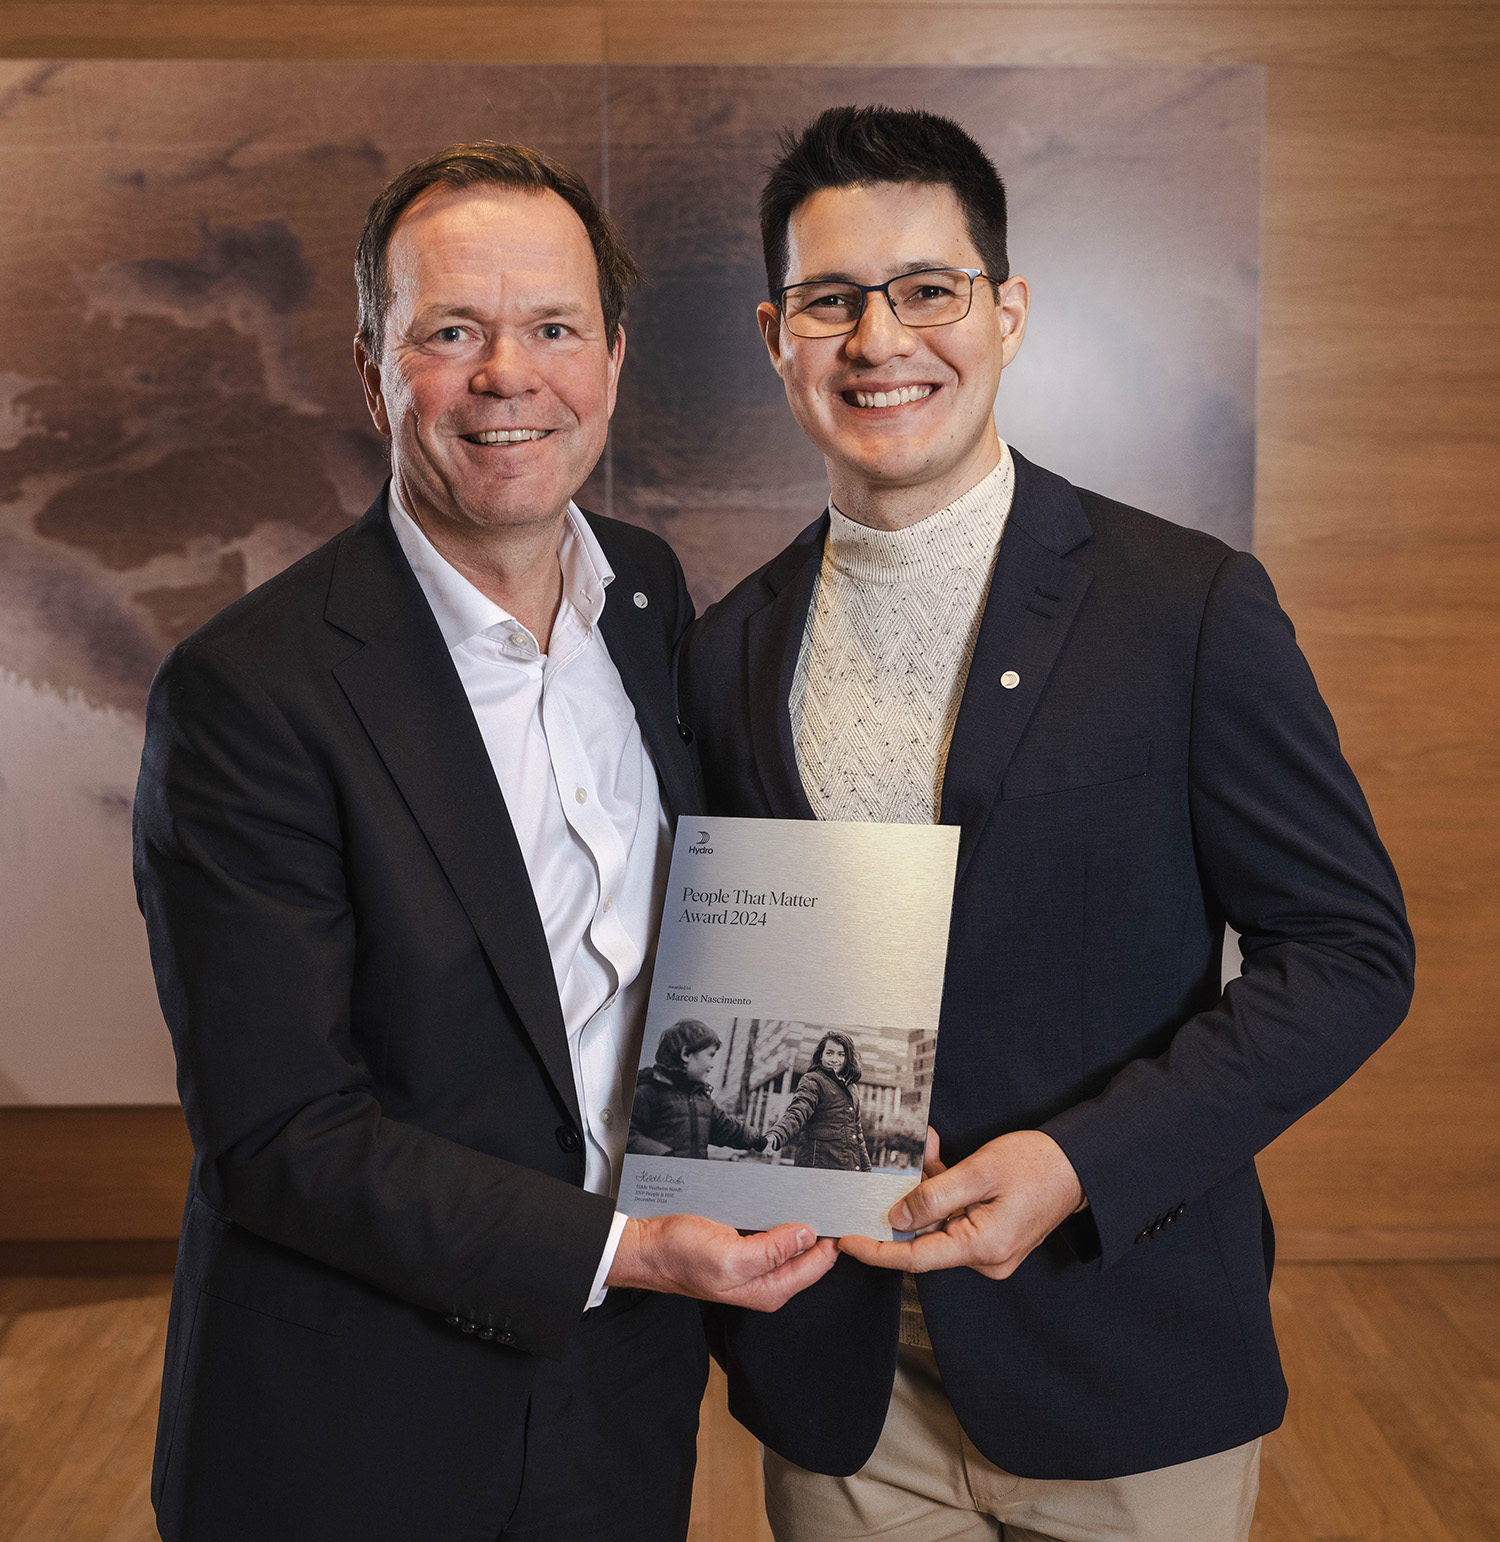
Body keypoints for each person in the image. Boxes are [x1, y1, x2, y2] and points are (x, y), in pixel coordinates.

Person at [678, 106, 1415, 1542]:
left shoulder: (1186, 605)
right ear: (778, 335)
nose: (880, 338)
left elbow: (1347, 951)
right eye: (831, 300)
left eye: (928, 290)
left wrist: (1081, 1162)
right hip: (847, 1397)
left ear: (1007, 313)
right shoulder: (729, 647)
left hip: (1121, 1352)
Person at [133, 140, 834, 1542]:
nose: (509, 374)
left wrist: (819, 1123)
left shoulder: (645, 590)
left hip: (624, 1382)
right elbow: (281, 1133)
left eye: (553, 327)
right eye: (451, 332)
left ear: (613, 360)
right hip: (356, 1415)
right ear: (372, 369)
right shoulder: (246, 691)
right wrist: (623, 1246)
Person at [628, 1019, 769, 1160]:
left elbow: (727, 1128)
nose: (712, 1065)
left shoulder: (702, 1099)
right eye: (710, 1055)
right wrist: (662, 1155)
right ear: (686, 1054)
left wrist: (757, 1139)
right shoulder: (647, 1092)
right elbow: (626, 1135)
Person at [762, 1031, 872, 1171]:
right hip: (816, 1167)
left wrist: (866, 1170)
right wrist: (776, 1135)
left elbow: (858, 1135)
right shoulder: (813, 1080)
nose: (834, 1059)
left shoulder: (852, 1089)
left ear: (848, 1058)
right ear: (821, 1056)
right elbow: (797, 1112)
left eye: (841, 1054)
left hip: (846, 1169)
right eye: (829, 1053)